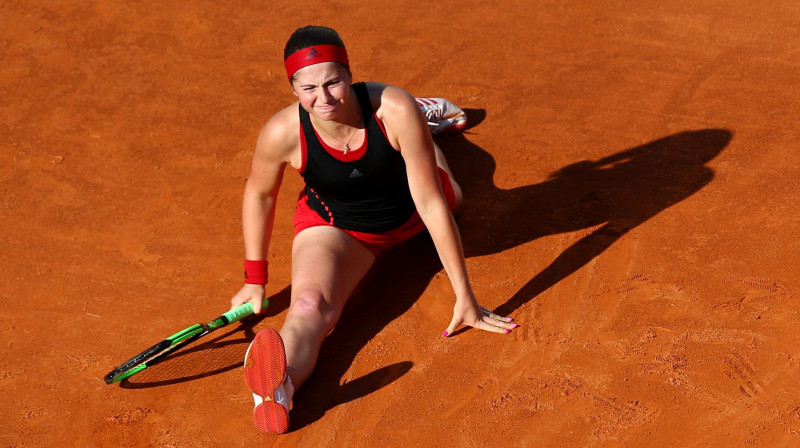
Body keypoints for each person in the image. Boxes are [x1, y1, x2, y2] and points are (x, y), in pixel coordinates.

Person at [229, 25, 517, 434]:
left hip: (413, 211)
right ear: (293, 88)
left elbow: (432, 202)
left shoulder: (391, 107)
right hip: (338, 227)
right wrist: (254, 280)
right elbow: (260, 195)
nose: (324, 98)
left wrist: (465, 298)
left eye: (333, 83)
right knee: (310, 306)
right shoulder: (283, 133)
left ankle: (424, 118)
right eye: (308, 88)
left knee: (451, 188)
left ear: (349, 75)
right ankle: (279, 388)